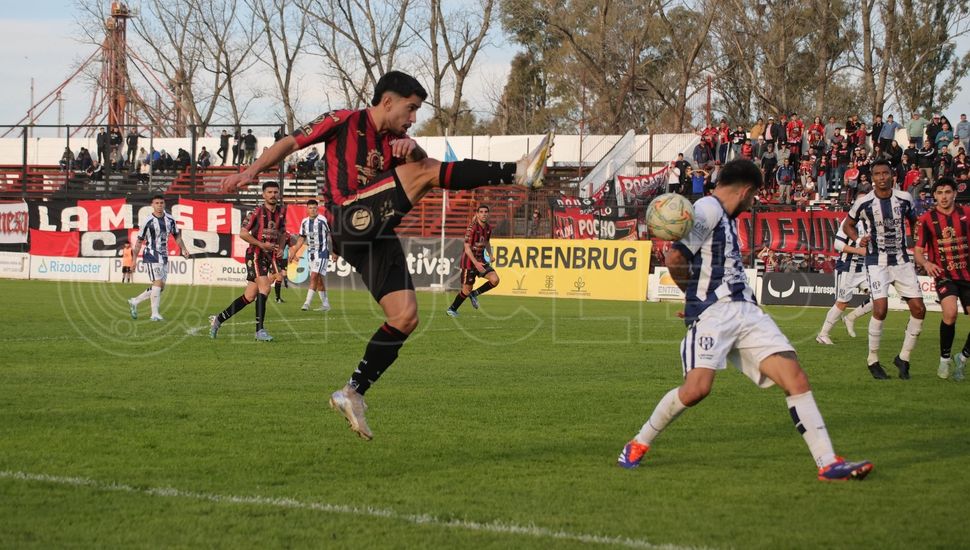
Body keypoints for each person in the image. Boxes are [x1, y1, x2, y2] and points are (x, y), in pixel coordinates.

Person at [218, 71, 553, 440]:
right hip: (346, 217)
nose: (413, 118)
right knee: (424, 171)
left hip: (375, 235)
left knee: (406, 317)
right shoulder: (343, 120)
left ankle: (352, 392)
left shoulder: (396, 142)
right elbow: (291, 142)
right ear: (388, 101)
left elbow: (426, 165)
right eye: (411, 109)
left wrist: (414, 149)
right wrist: (251, 171)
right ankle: (517, 171)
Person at [616, 159, 873, 481]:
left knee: (795, 378)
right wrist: (695, 300)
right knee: (696, 390)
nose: (752, 203)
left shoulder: (722, 217)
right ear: (746, 190)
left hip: (748, 311)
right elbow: (675, 257)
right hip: (716, 314)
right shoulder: (708, 208)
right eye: (753, 197)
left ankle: (828, 462)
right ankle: (638, 443)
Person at [843, 159, 926, 380]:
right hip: (876, 262)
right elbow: (847, 225)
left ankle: (904, 358)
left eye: (885, 173)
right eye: (877, 174)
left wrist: (916, 241)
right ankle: (873, 360)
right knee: (880, 309)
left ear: (892, 176)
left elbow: (914, 221)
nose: (882, 177)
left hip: (901, 261)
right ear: (872, 178)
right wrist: (858, 239)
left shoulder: (905, 198)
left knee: (919, 309)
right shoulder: (864, 203)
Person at [209, 181, 287, 342]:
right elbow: (243, 233)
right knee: (265, 287)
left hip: (269, 257)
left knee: (249, 296)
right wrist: (261, 244)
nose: (273, 195)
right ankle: (259, 331)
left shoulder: (281, 212)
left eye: (275, 192)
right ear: (263, 195)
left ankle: (218, 319)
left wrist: (280, 247)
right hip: (255, 255)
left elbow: (282, 233)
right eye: (269, 192)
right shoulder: (256, 212)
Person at [914, 178, 970, 381]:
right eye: (939, 193)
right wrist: (926, 263)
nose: (944, 196)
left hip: (967, 274)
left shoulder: (967, 214)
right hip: (944, 275)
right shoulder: (926, 219)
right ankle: (944, 360)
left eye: (947, 192)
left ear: (955, 193)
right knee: (950, 313)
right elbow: (918, 251)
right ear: (934, 196)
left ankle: (962, 357)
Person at [127, 195, 191, 321]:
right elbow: (139, 241)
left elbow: (177, 236)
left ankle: (135, 301)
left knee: (160, 287)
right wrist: (134, 260)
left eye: (161, 203)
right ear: (152, 205)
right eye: (157, 203)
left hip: (164, 256)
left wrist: (184, 249)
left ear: (164, 204)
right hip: (151, 254)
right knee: (157, 282)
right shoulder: (148, 221)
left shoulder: (170, 219)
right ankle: (155, 314)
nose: (159, 205)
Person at [816, 219, 873, 345]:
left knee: (878, 298)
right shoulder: (850, 221)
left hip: (863, 268)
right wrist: (858, 251)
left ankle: (850, 318)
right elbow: (837, 244)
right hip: (847, 267)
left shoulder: (871, 221)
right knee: (842, 302)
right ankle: (823, 335)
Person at [447, 205, 499, 316]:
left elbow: (487, 242)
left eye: (486, 212)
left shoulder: (488, 228)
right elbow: (467, 247)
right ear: (477, 214)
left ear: (488, 214)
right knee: (466, 290)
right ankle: (452, 309)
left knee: (495, 280)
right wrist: (475, 263)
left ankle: (474, 294)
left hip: (481, 261)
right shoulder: (472, 228)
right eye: (481, 212)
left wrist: (490, 255)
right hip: (469, 263)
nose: (484, 214)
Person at [291, 199, 332, 311]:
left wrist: (334, 252)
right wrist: (294, 251)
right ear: (307, 209)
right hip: (311, 254)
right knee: (318, 280)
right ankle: (326, 304)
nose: (312, 210)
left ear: (317, 209)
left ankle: (307, 303)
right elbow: (301, 238)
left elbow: (331, 235)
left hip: (322, 252)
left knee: (314, 276)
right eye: (310, 208)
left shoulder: (322, 220)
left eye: (314, 208)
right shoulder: (304, 222)